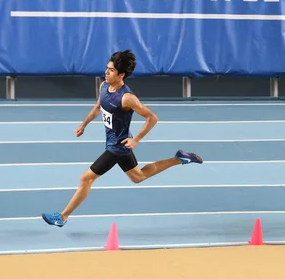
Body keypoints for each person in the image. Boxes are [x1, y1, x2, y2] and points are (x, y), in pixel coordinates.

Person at [41, 49, 203, 227]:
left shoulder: (127, 98)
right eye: (107, 68)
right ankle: (179, 159)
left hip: (118, 147)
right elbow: (98, 107)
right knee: (138, 177)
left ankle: (62, 217)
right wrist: (84, 124)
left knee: (86, 178)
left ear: (121, 75)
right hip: (113, 143)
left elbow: (152, 118)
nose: (106, 72)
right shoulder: (104, 86)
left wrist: (136, 139)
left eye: (111, 70)